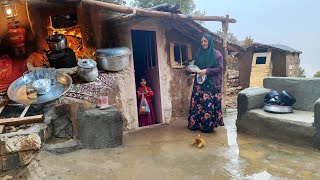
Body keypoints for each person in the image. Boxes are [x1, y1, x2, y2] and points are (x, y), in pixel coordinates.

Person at [187, 34, 224, 133]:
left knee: (207, 104)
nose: (203, 43)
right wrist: (192, 69)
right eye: (202, 41)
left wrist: (207, 70)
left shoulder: (217, 54)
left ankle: (207, 126)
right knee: (198, 103)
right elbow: (195, 66)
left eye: (205, 41)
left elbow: (220, 68)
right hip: (199, 83)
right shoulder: (199, 53)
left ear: (210, 42)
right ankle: (195, 124)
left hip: (211, 84)